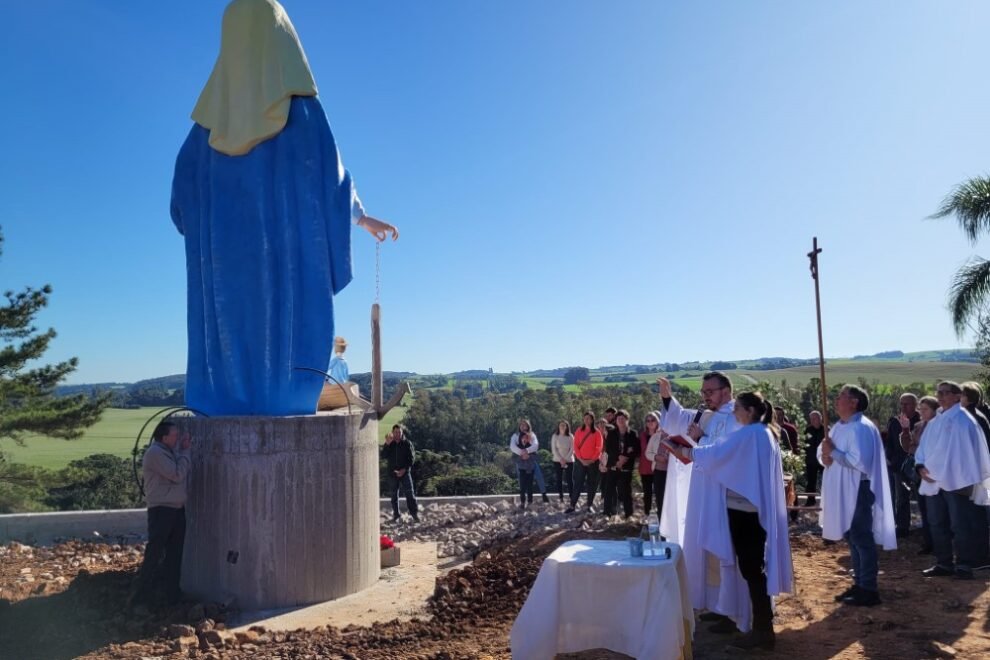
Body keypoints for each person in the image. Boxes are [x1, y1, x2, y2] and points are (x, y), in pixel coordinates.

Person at [171, 0, 399, 416]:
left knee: (226, 330)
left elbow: (180, 210)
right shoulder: (304, 115)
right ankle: (286, 396)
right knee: (286, 334)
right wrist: (360, 217)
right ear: (283, 39)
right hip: (289, 273)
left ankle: (224, 398)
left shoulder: (203, 133)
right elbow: (331, 182)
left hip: (225, 274)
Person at [664, 392, 793, 651]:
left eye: (738, 410)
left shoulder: (750, 434)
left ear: (748, 411)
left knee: (751, 569)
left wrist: (685, 449)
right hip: (749, 510)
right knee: (750, 567)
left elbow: (717, 454)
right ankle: (754, 624)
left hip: (745, 512)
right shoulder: (763, 433)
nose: (734, 413)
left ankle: (762, 631)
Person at [658, 372, 748, 634]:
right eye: (703, 392)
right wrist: (667, 398)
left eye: (710, 391)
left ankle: (736, 612)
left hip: (724, 496)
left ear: (726, 391)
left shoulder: (736, 417)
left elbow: (726, 452)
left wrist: (699, 440)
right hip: (704, 494)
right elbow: (680, 419)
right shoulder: (708, 414)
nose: (705, 396)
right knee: (707, 551)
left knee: (725, 552)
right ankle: (720, 606)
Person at [818, 384, 896, 606]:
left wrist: (831, 452)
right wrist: (825, 456)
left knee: (861, 537)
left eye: (842, 396)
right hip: (844, 488)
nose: (836, 399)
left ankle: (869, 589)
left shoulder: (861, 427)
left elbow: (859, 461)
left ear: (854, 402)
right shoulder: (840, 426)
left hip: (858, 489)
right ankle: (859, 582)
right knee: (852, 536)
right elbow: (826, 452)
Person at [914, 381, 990, 580]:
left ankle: (964, 564)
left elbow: (968, 453)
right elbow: (923, 448)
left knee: (959, 524)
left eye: (945, 393)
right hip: (933, 480)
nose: (940, 396)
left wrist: (955, 473)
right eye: (938, 392)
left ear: (957, 396)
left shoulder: (964, 421)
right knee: (937, 522)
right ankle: (943, 562)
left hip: (957, 481)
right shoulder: (936, 421)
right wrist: (920, 465)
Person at [133, 421, 191, 606]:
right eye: (174, 435)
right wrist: (186, 452)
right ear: (164, 437)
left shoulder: (167, 452)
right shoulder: (156, 453)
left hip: (175, 509)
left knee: (174, 554)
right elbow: (177, 474)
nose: (177, 438)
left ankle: (171, 594)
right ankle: (142, 596)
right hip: (162, 510)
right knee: (155, 552)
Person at [900, 395, 938, 554]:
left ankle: (941, 544)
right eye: (920, 409)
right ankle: (929, 543)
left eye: (925, 409)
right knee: (924, 509)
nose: (921, 412)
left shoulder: (940, 427)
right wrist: (905, 430)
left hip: (935, 474)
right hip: (920, 473)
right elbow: (907, 447)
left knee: (937, 512)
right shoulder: (918, 426)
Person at [961, 382, 990, 565]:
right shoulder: (974, 416)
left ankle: (980, 557)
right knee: (973, 515)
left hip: (977, 474)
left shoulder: (972, 418)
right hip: (975, 473)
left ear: (967, 398)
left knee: (976, 515)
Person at [885, 394, 919, 538]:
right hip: (899, 465)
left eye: (907, 404)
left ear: (915, 405)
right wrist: (891, 459)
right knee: (901, 497)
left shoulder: (921, 421)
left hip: (918, 465)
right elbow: (889, 443)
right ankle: (902, 526)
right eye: (902, 404)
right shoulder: (894, 422)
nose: (904, 407)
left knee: (923, 496)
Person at [567, 412, 604, 513]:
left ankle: (589, 505)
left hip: (593, 462)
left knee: (591, 484)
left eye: (589, 418)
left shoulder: (597, 432)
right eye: (585, 418)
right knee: (578, 483)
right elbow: (576, 446)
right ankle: (572, 505)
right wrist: (581, 459)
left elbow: (599, 448)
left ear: (592, 420)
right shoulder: (579, 430)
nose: (587, 420)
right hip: (581, 462)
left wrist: (592, 459)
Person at [607, 410, 640, 519]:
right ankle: (609, 513)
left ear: (627, 420)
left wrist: (625, 458)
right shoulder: (611, 433)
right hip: (613, 465)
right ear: (616, 421)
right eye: (618, 419)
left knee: (626, 491)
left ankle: (628, 514)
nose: (620, 421)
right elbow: (609, 449)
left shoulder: (633, 434)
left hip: (626, 467)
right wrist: (618, 459)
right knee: (610, 490)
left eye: (623, 419)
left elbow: (637, 451)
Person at [383, 424, 419, 522]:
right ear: (392, 433)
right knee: (394, 495)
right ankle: (396, 515)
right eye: (395, 432)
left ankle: (414, 514)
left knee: (410, 494)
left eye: (399, 432)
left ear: (402, 433)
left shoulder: (407, 443)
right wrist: (387, 444)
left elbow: (412, 459)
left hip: (405, 473)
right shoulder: (390, 443)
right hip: (392, 473)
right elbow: (383, 456)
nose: (397, 434)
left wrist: (404, 470)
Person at [643, 411, 670, 525]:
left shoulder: (675, 437)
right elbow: (647, 453)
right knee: (660, 500)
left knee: (670, 500)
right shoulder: (655, 437)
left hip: (672, 474)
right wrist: (656, 457)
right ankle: (662, 526)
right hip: (659, 472)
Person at [510, 419, 540, 509]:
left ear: (528, 426)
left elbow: (535, 445)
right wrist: (522, 453)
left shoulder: (532, 435)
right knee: (522, 483)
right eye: (521, 425)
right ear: (519, 426)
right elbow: (512, 446)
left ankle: (530, 501)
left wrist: (527, 451)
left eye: (525, 425)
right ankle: (522, 502)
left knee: (530, 483)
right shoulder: (515, 435)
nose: (523, 427)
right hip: (521, 460)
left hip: (530, 460)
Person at [639, 412, 662, 517]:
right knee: (647, 493)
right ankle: (647, 514)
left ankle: (660, 515)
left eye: (652, 420)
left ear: (657, 421)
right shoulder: (642, 436)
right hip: (645, 468)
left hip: (659, 468)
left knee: (659, 493)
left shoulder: (662, 435)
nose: (650, 423)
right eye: (648, 420)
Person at [804, 411, 826, 507]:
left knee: (826, 481)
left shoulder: (826, 430)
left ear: (820, 418)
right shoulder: (808, 430)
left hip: (823, 461)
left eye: (815, 418)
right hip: (811, 460)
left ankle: (826, 501)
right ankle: (810, 500)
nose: (813, 420)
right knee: (811, 482)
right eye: (811, 419)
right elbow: (804, 444)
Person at [551, 421, 575, 503]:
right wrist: (561, 459)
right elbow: (554, 449)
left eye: (564, 425)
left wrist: (565, 459)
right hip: (557, 460)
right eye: (561, 425)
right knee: (559, 479)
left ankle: (572, 496)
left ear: (567, 427)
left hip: (569, 460)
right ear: (558, 426)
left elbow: (572, 449)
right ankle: (561, 497)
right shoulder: (555, 436)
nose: (562, 427)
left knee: (569, 479)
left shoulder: (570, 436)